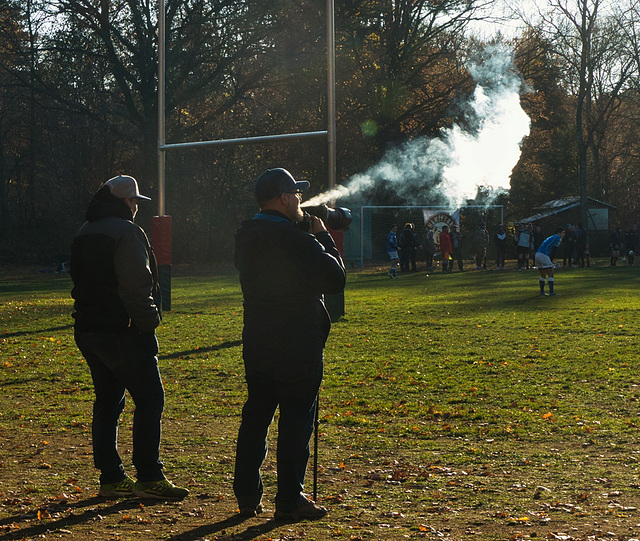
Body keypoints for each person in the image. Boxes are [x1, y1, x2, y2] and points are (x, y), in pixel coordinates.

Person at [233, 168, 346, 521]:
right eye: (295, 193)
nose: (300, 198)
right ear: (283, 197)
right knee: (297, 420)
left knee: (257, 415)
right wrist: (323, 237)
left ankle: (247, 494)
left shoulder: (246, 234)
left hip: (258, 337)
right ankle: (290, 498)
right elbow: (335, 279)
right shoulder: (299, 240)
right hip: (296, 340)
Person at [71, 175, 189, 500]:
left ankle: (111, 477)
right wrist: (149, 323)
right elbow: (135, 285)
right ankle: (150, 476)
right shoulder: (127, 231)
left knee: (108, 401)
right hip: (122, 330)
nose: (137, 207)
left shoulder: (85, 231)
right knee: (151, 399)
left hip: (88, 329)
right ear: (126, 202)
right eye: (135, 201)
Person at [534, 227, 565, 296]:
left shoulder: (551, 237)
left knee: (543, 274)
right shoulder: (557, 238)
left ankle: (542, 292)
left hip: (538, 254)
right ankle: (552, 292)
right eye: (563, 233)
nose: (564, 234)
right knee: (551, 273)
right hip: (544, 255)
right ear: (558, 233)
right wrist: (551, 260)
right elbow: (554, 249)